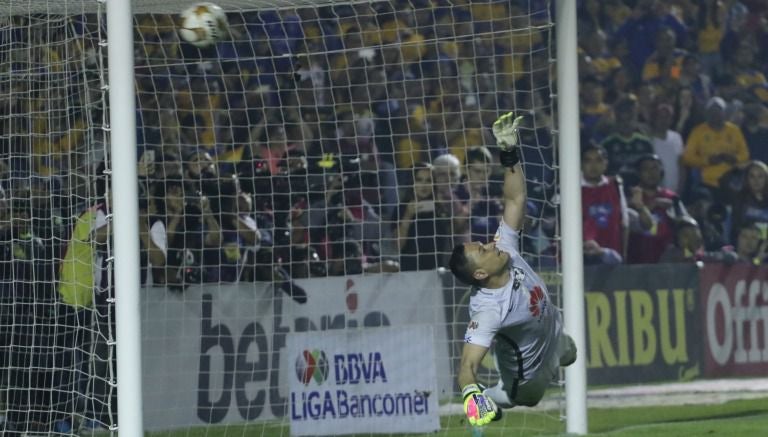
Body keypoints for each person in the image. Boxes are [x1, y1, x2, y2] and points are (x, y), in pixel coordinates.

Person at [448, 113, 576, 427]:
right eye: (482, 250)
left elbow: (516, 196)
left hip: (554, 336)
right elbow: (467, 366)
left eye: (484, 243)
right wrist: (472, 398)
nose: (490, 244)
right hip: (528, 377)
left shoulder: (505, 246)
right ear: (480, 274)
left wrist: (508, 151)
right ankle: (491, 400)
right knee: (525, 397)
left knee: (571, 353)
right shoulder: (489, 309)